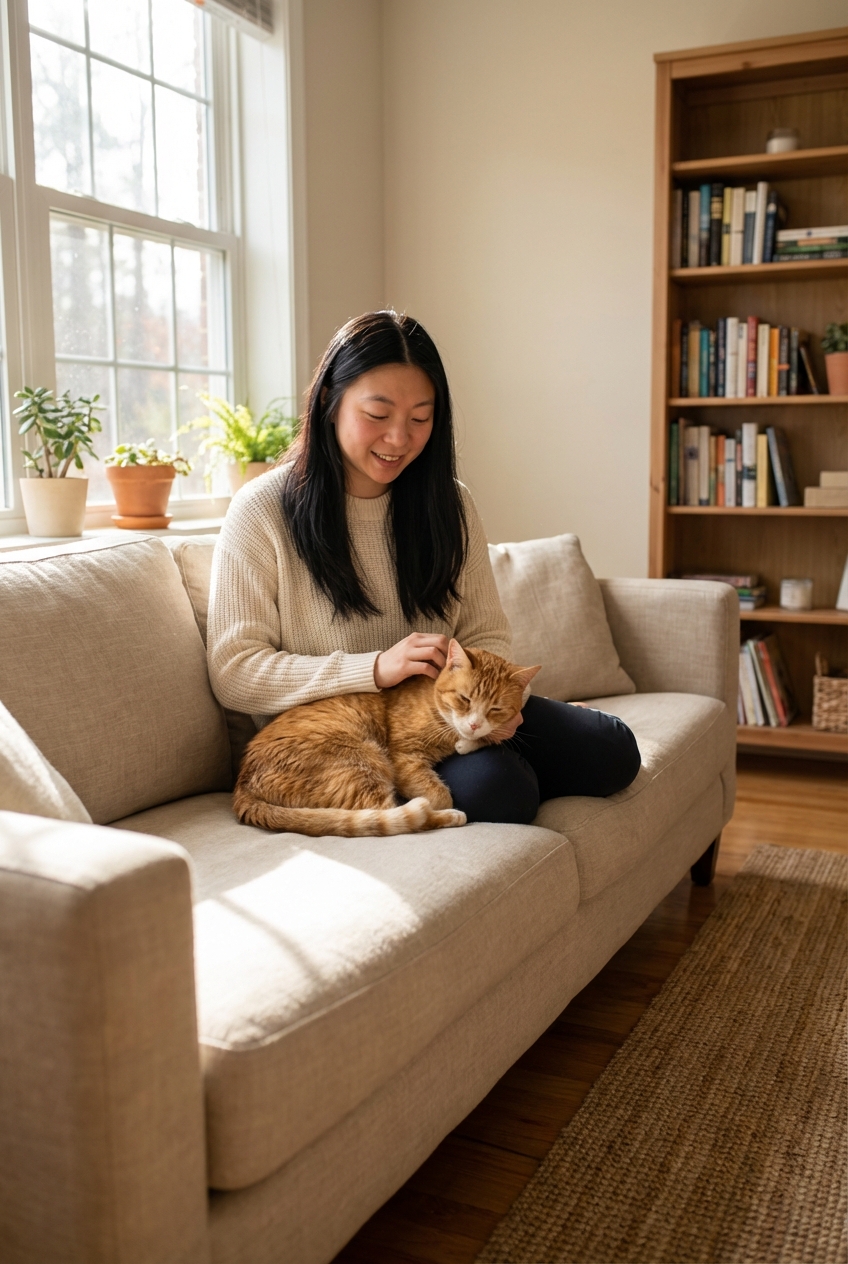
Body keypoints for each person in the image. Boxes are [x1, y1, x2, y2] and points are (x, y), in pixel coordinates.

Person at [207, 310, 640, 824]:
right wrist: (372, 670)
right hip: (346, 736)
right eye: (377, 414)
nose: (399, 439)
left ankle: (500, 755)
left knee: (614, 750)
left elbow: (485, 631)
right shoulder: (261, 510)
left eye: (420, 418)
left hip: (453, 710)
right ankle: (497, 769)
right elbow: (235, 671)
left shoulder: (449, 504)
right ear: (329, 400)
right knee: (506, 793)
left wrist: (495, 706)